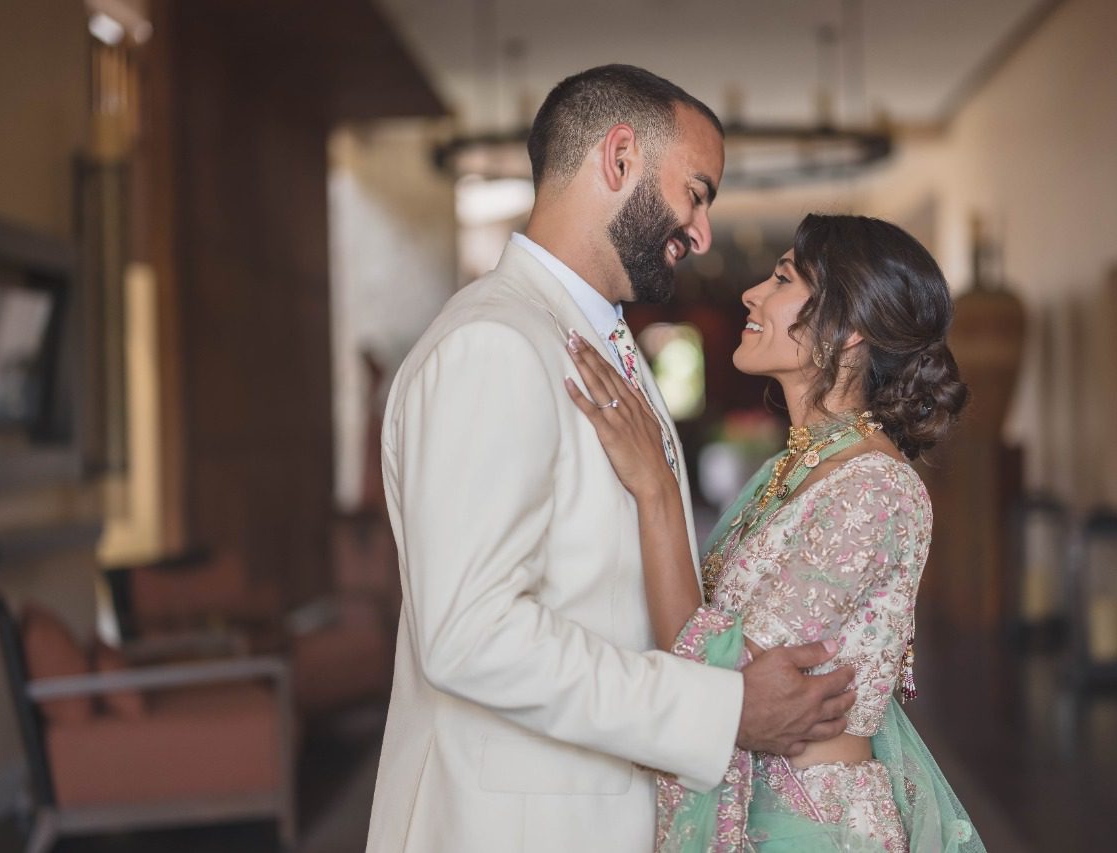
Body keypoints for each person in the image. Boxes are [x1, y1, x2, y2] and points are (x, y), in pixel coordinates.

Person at [366, 66, 861, 852]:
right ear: (620, 158)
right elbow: (469, 631)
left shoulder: (597, 339)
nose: (701, 232)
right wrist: (721, 709)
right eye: (696, 192)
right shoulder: (492, 344)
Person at [566, 213, 986, 851]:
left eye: (783, 279)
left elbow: (723, 682)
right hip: (760, 820)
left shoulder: (874, 488)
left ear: (849, 331)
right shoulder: (792, 468)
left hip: (814, 829)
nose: (752, 294)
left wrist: (655, 491)